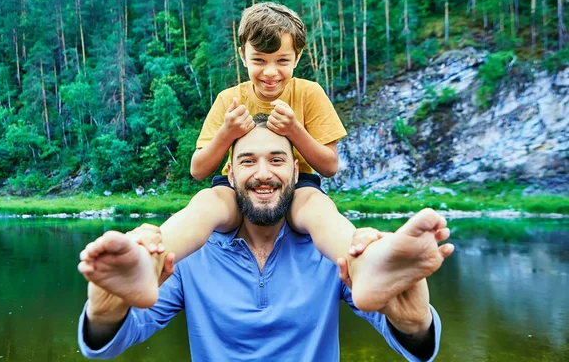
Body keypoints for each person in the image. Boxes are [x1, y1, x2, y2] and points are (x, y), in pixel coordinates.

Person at [95, 1, 398, 313]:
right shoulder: (230, 98)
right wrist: (226, 132)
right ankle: (150, 260)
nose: (270, 72)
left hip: (298, 184)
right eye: (259, 60)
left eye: (282, 60)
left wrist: (296, 131)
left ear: (298, 57)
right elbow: (198, 169)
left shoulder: (309, 93)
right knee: (206, 204)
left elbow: (329, 165)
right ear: (243, 55)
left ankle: (363, 265)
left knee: (319, 210)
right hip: (235, 185)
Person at [77, 114, 455, 361]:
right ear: (229, 172)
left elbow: (409, 340)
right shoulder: (191, 253)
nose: (262, 174)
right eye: (247, 161)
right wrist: (105, 313)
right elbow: (119, 336)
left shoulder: (327, 248)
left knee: (361, 259)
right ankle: (149, 255)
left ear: (294, 172)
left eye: (276, 160)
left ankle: (370, 257)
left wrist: (414, 324)